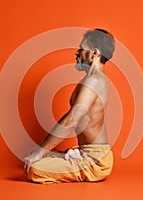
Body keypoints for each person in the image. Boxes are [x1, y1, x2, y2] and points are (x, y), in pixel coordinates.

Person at [23, 28, 115, 184]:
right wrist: (40, 151)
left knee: (34, 168)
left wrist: (40, 152)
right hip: (91, 154)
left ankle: (78, 165)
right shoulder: (95, 79)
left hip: (95, 161)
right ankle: (72, 159)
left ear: (94, 53)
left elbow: (72, 119)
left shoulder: (94, 81)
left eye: (81, 48)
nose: (77, 53)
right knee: (30, 157)